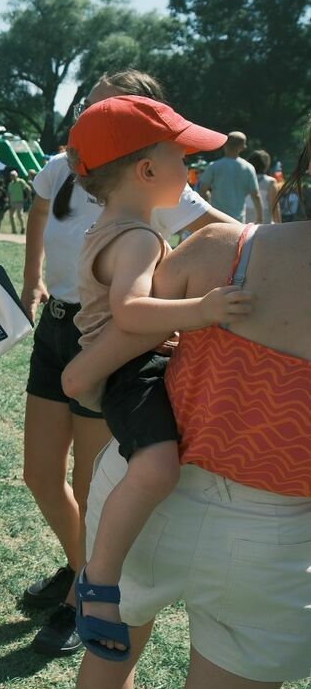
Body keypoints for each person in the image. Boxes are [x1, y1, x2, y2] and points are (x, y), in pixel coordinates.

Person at [72, 128, 311, 689]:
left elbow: (83, 375)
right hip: (278, 537)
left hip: (145, 497)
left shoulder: (220, 249)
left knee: (106, 668)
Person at [17, 69, 232, 656]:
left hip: (97, 354)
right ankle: (95, 576)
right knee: (133, 472)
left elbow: (225, 231)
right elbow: (132, 311)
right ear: (145, 168)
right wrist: (205, 309)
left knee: (99, 481)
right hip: (114, 361)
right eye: (182, 156)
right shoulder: (135, 232)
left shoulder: (120, 212)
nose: (189, 170)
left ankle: (83, 581)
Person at [197, 131, 261, 221]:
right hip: (238, 220)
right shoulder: (248, 168)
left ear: (224, 145)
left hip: (216, 217)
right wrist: (259, 218)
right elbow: (255, 195)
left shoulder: (214, 166)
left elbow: (202, 190)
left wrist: (208, 203)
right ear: (243, 147)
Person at [242, 149, 281, 224]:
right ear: (266, 165)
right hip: (263, 224)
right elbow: (274, 207)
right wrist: (279, 225)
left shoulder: (242, 180)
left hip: (243, 223)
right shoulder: (270, 182)